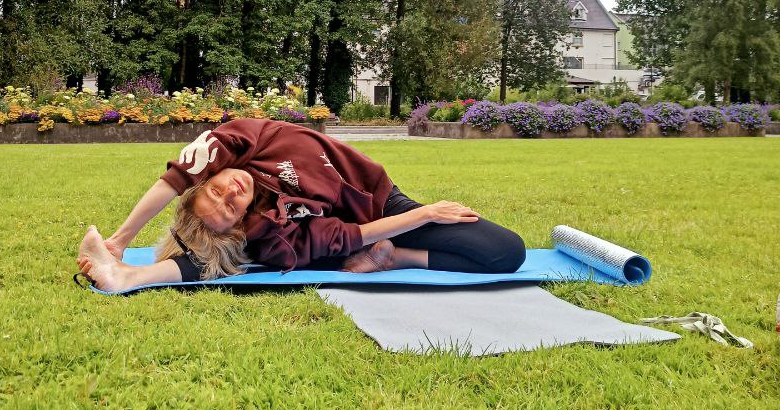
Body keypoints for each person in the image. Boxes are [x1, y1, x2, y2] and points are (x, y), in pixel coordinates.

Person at [76, 117, 526, 293]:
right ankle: (129, 278)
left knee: (502, 250)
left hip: (383, 199)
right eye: (229, 208)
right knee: (506, 254)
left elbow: (177, 175)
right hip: (380, 225)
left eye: (215, 191)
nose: (230, 193)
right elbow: (347, 235)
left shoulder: (243, 142)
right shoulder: (266, 229)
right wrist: (425, 215)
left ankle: (393, 256)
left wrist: (121, 238)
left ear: (205, 180)